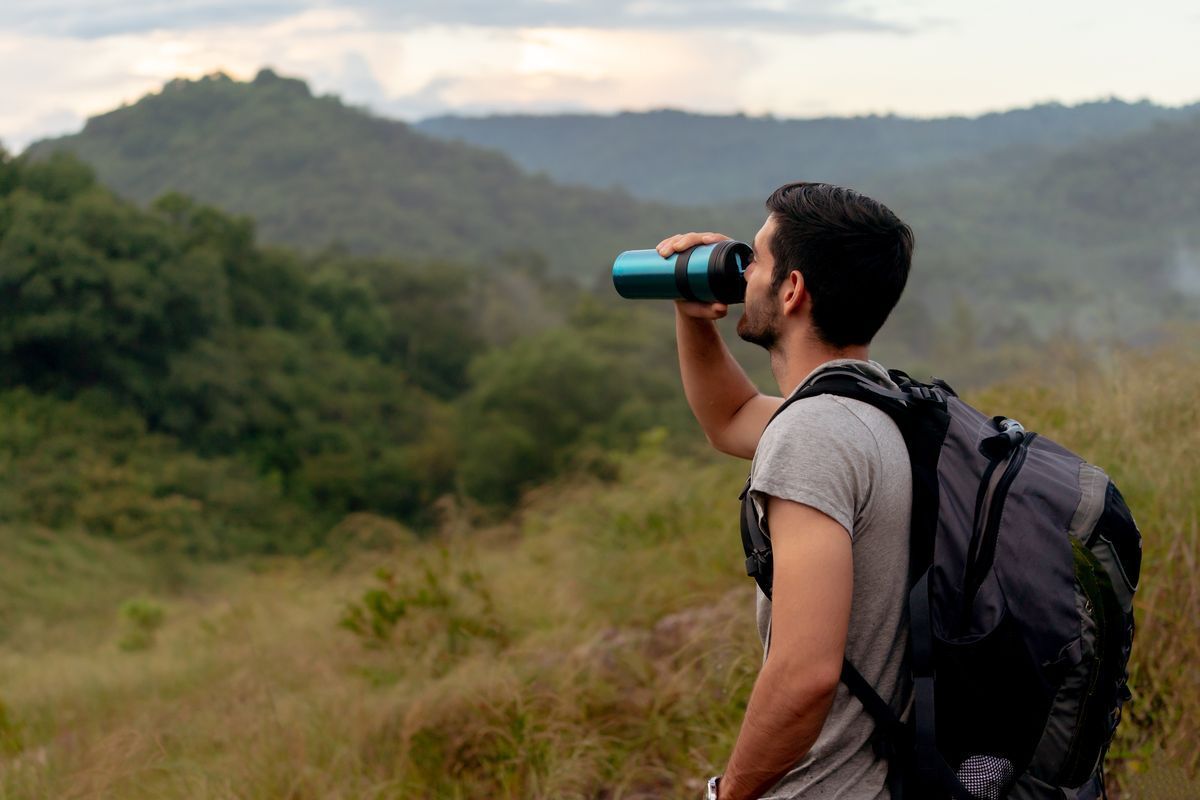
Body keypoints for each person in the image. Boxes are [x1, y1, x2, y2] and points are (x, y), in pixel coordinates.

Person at [663, 181, 916, 800]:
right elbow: (730, 418)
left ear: (793, 290)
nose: (742, 272)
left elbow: (804, 674)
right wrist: (691, 315)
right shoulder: (884, 407)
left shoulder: (814, 436)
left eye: (756, 259)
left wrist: (731, 795)